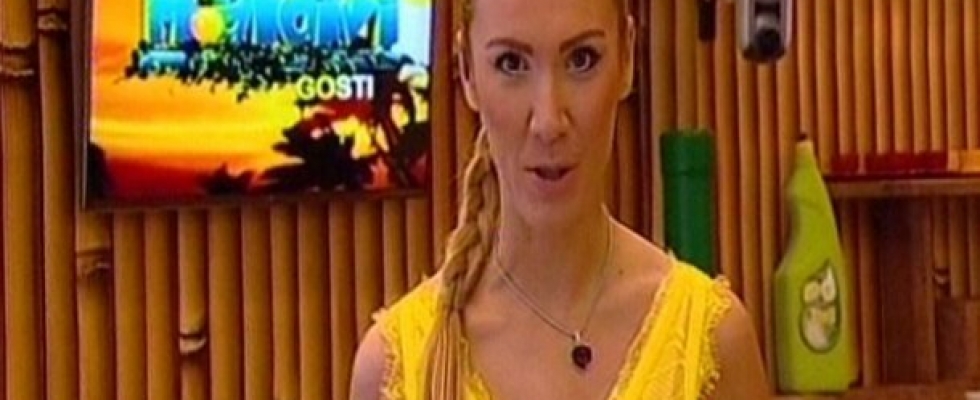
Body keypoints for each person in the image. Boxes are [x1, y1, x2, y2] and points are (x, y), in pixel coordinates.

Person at [350, 0, 770, 398]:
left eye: (582, 59)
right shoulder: (395, 368)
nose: (548, 122)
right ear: (467, 73)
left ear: (627, 58)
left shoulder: (711, 343)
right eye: (511, 63)